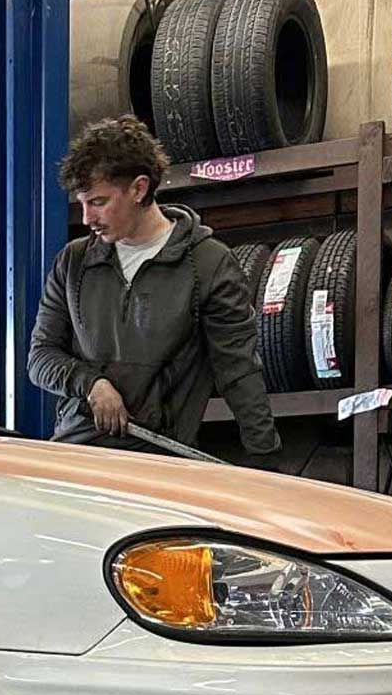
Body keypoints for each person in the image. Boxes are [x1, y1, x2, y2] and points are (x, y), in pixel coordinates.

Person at [28, 115, 280, 461]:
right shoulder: (73, 263)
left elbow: (239, 372)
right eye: (82, 203)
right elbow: (40, 357)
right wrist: (91, 384)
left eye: (98, 202)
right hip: (77, 454)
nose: (86, 218)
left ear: (139, 188)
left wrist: (266, 463)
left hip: (158, 459)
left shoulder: (208, 265)